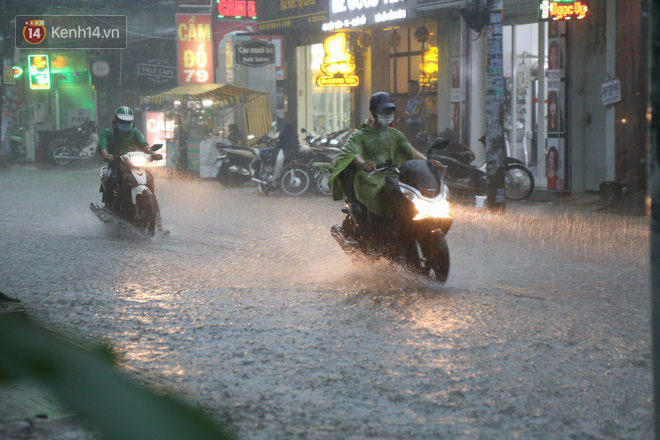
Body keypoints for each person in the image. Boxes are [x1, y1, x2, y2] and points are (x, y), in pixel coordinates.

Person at [329, 92, 440, 225]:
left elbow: (411, 151)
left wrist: (427, 162)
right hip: (368, 177)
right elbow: (353, 153)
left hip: (393, 175)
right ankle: (373, 229)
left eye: (391, 111)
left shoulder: (396, 135)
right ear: (373, 112)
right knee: (377, 194)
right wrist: (364, 164)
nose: (388, 115)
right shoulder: (360, 135)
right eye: (384, 111)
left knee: (408, 193)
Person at [98, 106, 166, 233]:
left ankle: (157, 220)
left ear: (132, 123)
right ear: (115, 122)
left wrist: (152, 153)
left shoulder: (134, 132)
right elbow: (103, 146)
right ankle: (108, 209)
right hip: (117, 165)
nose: (125, 125)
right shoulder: (107, 133)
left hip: (134, 166)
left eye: (128, 122)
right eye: (122, 122)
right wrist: (107, 155)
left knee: (149, 178)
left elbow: (144, 145)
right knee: (112, 179)